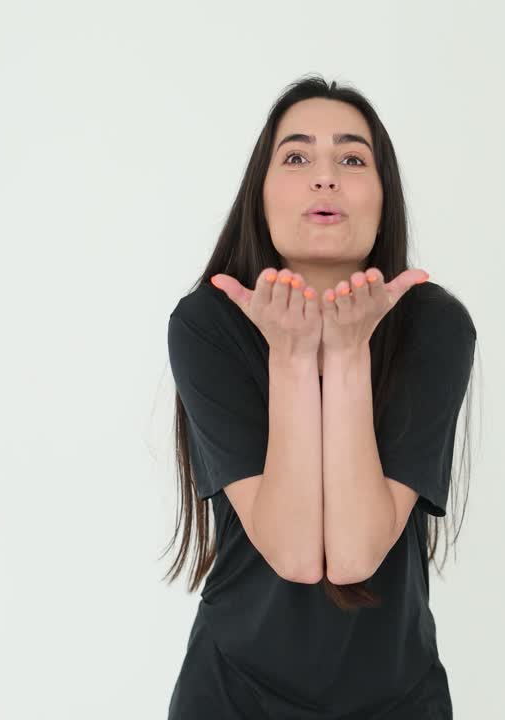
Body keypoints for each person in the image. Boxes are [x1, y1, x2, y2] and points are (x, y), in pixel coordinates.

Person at [163, 74, 478, 719]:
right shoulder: (207, 324)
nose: (325, 177)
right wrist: (292, 354)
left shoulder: (433, 326)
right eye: (298, 156)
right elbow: (298, 555)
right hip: (233, 694)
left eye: (352, 159)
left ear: (384, 198)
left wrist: (346, 351)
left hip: (397, 696)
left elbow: (356, 553)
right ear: (262, 193)